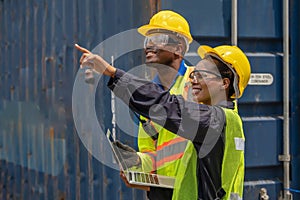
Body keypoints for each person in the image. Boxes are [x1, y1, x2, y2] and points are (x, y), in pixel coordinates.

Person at [75, 43, 251, 200]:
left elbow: (164, 105)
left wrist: (111, 72)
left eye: (202, 75)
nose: (194, 80)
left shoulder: (215, 120)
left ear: (224, 83)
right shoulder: (224, 122)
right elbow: (195, 188)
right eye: (194, 74)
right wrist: (147, 184)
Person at [76, 10, 198, 200]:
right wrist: (136, 163)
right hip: (165, 194)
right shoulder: (146, 96)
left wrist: (111, 72)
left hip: (196, 192)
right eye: (147, 40)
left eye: (159, 38)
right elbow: (152, 153)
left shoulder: (198, 83)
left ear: (179, 49)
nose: (149, 45)